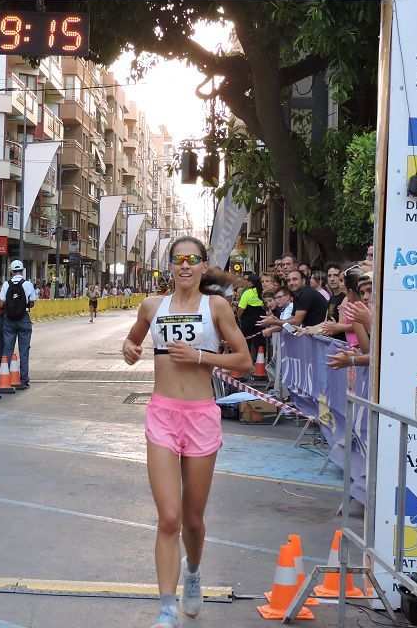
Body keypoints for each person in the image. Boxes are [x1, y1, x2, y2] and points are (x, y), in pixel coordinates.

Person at [122, 237, 252, 628]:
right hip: (162, 414)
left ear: (202, 265)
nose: (184, 266)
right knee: (169, 518)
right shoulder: (152, 307)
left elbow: (243, 360)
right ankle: (165, 607)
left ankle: (193, 573)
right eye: (178, 260)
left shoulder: (217, 307)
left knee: (193, 520)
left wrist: (199, 356)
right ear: (170, 266)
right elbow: (133, 339)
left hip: (200, 416)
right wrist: (129, 348)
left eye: (192, 260)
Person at [1, 260, 37, 390]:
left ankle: (5, 378)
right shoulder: (27, 284)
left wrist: (11, 306)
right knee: (24, 351)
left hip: (9, 320)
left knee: (7, 350)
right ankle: (24, 379)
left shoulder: (6, 284)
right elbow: (32, 303)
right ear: (22, 270)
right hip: (24, 319)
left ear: (11, 271)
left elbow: (1, 303)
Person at [236, 273, 266, 368]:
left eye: (247, 281)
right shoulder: (262, 292)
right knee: (260, 343)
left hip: (248, 320)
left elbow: (241, 309)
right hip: (261, 320)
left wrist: (239, 317)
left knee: (246, 342)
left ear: (251, 282)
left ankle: (246, 362)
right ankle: (260, 362)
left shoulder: (247, 293)